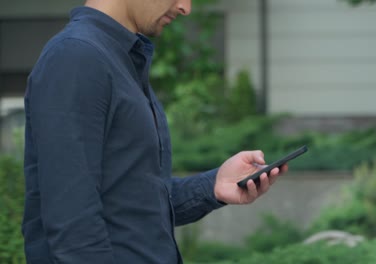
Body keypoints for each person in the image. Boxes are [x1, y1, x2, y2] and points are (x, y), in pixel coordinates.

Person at [22, 0, 287, 263]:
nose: (186, 8)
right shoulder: (76, 57)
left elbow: (131, 202)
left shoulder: (119, 58)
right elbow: (73, 224)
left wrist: (213, 186)